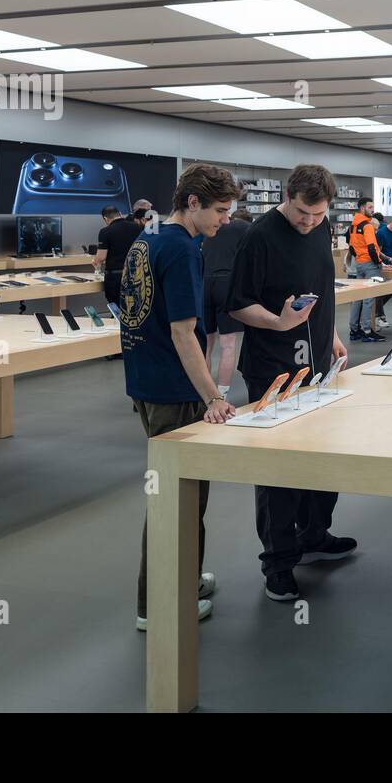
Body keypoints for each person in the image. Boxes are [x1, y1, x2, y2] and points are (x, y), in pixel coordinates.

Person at [119, 164, 241, 631]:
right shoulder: (182, 250)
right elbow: (183, 333)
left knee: (185, 495)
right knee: (178, 498)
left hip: (146, 382)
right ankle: (159, 605)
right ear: (193, 203)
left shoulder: (146, 239)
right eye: (220, 211)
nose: (224, 221)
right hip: (175, 390)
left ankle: (184, 578)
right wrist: (213, 396)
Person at [226, 164, 354, 602]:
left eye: (318, 215)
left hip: (318, 362)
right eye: (302, 213)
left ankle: (314, 535)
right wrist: (279, 323)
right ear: (287, 196)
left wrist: (331, 333)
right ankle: (278, 563)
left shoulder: (321, 229)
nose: (310, 222)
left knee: (323, 456)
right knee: (278, 468)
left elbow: (320, 290)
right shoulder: (258, 236)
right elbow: (238, 305)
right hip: (272, 368)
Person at [202, 211, 250, 402]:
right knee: (228, 345)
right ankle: (221, 395)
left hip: (204, 282)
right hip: (227, 284)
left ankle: (203, 394)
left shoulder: (210, 226)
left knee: (205, 345)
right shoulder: (243, 228)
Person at [347, 197, 392, 342]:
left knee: (358, 297)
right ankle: (367, 330)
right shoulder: (368, 226)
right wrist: (380, 263)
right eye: (370, 207)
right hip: (370, 265)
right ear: (362, 208)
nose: (372, 210)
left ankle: (354, 330)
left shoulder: (353, 225)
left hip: (359, 264)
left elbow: (352, 247)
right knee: (369, 299)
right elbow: (372, 248)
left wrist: (361, 258)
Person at [93, 204, 142, 309]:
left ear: (105, 219)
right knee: (134, 307)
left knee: (117, 309)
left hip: (116, 278)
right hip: (135, 274)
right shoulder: (137, 227)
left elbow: (101, 257)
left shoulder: (105, 231)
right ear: (120, 214)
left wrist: (96, 261)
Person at [373, 212, 392, 328]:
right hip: (382, 266)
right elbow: (378, 252)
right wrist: (386, 262)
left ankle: (377, 312)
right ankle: (379, 316)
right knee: (380, 292)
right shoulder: (381, 233)